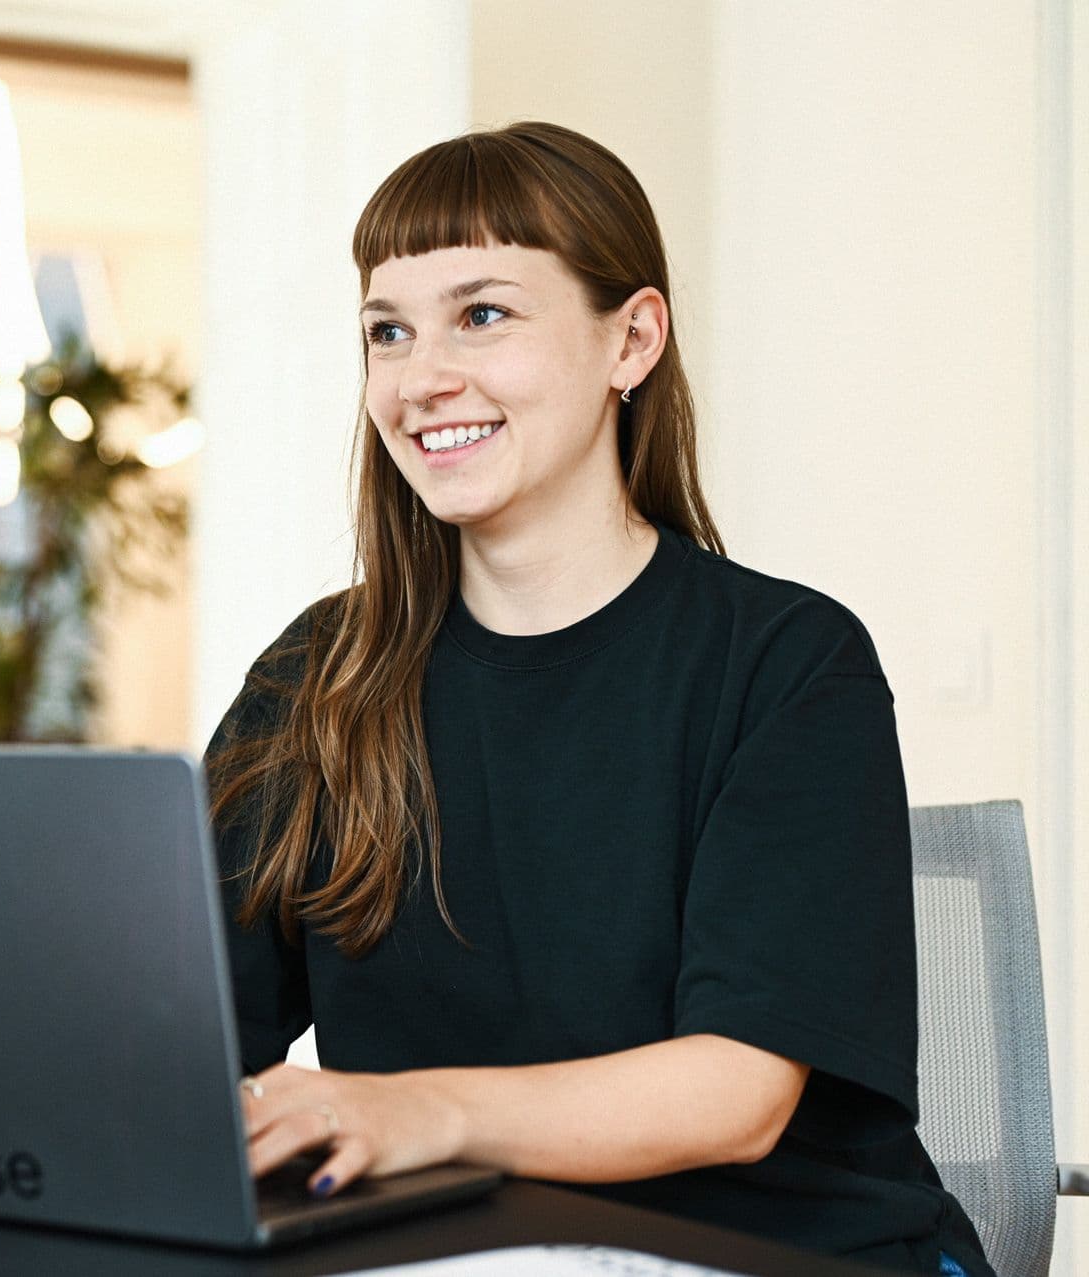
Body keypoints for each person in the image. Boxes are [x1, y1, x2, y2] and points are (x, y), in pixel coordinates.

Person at [203, 121, 993, 1277]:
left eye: (484, 313)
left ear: (632, 339)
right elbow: (186, 1035)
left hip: (782, 1247)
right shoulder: (314, 680)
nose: (424, 378)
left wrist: (411, 1110)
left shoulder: (788, 662)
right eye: (388, 331)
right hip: (446, 1249)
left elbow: (734, 1092)